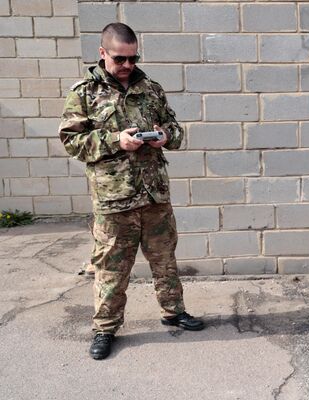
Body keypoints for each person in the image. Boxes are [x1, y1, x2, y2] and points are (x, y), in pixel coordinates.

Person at [59, 22, 204, 361]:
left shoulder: (151, 88)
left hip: (154, 195)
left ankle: (173, 311)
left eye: (132, 57)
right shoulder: (84, 92)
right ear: (102, 54)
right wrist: (115, 140)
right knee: (112, 268)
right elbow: (71, 141)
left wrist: (167, 135)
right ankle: (105, 328)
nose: (127, 65)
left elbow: (176, 129)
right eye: (119, 59)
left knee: (165, 260)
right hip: (114, 201)